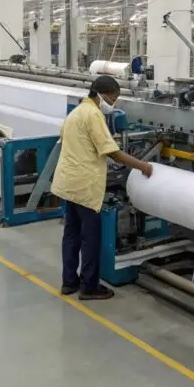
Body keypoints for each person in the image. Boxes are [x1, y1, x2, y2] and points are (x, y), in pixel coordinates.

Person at [51, 75, 152, 300]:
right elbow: (112, 152)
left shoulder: (76, 113)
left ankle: (69, 282)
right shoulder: (94, 115)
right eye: (113, 98)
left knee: (71, 234)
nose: (114, 103)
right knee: (90, 238)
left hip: (69, 182)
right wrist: (142, 166)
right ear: (102, 95)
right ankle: (89, 287)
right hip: (85, 185)